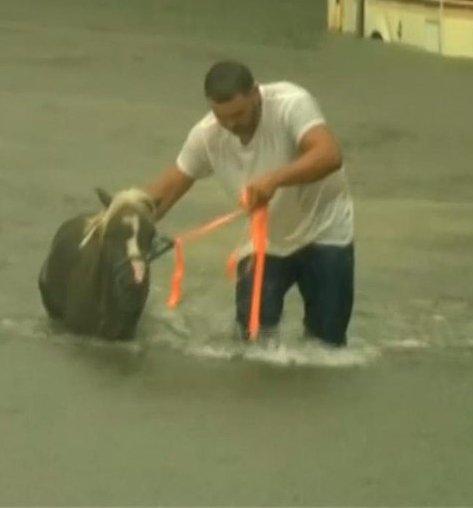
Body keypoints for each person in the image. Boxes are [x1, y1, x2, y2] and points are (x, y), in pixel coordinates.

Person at [142, 60, 355, 347]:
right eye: (222, 117)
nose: (231, 124)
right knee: (251, 342)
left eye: (238, 114)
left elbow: (328, 155)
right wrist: (119, 223)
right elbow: (164, 193)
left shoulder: (291, 103)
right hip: (264, 240)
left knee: (328, 346)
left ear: (256, 93)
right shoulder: (207, 135)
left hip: (326, 232)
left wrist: (274, 180)